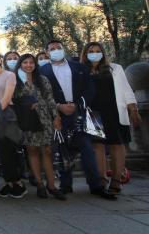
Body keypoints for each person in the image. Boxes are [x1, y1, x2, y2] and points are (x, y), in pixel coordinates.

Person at [39, 39, 116, 200]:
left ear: (63, 49)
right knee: (62, 150)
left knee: (87, 148)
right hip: (57, 115)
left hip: (79, 113)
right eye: (52, 49)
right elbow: (41, 95)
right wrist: (58, 107)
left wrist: (77, 105)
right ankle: (66, 185)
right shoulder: (42, 71)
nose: (55, 50)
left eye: (58, 47)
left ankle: (95, 185)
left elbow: (89, 89)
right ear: (47, 53)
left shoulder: (78, 67)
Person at [80, 42, 141, 194]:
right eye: (91, 51)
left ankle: (117, 179)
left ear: (103, 53)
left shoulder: (115, 68)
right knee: (97, 146)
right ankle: (101, 179)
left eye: (98, 50)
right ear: (85, 54)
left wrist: (133, 108)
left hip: (114, 112)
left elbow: (126, 89)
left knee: (116, 145)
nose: (95, 53)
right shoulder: (82, 71)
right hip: (93, 113)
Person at [14, 54, 65, 200]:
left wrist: (56, 116)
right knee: (32, 150)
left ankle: (52, 185)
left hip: (45, 119)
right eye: (25, 62)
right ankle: (39, 184)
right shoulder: (15, 81)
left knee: (47, 150)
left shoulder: (42, 80)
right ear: (20, 65)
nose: (28, 65)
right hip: (28, 120)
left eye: (31, 62)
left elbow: (50, 98)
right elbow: (13, 101)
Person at [0, 54, 27, 199]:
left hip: (6, 117)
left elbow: (7, 98)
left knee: (9, 150)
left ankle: (18, 183)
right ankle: (8, 183)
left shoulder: (9, 75)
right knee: (1, 152)